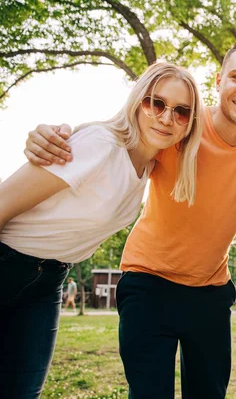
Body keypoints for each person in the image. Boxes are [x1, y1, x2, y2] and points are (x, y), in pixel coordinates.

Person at [24, 37, 236, 398]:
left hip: (210, 293)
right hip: (148, 282)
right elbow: (118, 136)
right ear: (219, 81)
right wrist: (54, 135)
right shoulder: (179, 125)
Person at [0, 62, 203, 399]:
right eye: (157, 103)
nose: (167, 118)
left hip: (47, 284)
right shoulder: (100, 144)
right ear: (139, 102)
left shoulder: (150, 167)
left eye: (182, 111)